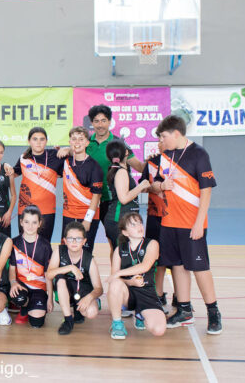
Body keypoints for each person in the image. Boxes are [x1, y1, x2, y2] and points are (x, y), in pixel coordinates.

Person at [152, 115, 221, 334]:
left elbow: (206, 190)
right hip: (169, 221)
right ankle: (184, 311)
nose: (161, 140)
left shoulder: (198, 154)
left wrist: (199, 223)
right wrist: (161, 186)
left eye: (164, 136)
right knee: (177, 266)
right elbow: (155, 184)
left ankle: (213, 312)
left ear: (176, 133)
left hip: (192, 223)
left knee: (199, 268)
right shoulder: (165, 155)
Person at [106, 212, 166, 340]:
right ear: (125, 232)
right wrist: (130, 282)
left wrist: (119, 273)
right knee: (115, 284)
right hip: (128, 294)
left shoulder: (152, 244)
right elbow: (114, 279)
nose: (139, 226)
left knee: (159, 330)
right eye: (133, 224)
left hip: (147, 292)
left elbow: (145, 266)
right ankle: (117, 324)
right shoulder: (119, 250)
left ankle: (140, 315)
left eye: (140, 223)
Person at [85, 105, 144, 232]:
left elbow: (139, 167)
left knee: (114, 238)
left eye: (103, 120)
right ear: (92, 123)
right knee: (87, 237)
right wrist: (66, 150)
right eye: (96, 121)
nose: (100, 125)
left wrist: (154, 161)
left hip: (113, 201)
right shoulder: (86, 143)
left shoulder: (119, 144)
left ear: (110, 122)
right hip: (92, 200)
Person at [47, 222, 103, 335]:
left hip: (82, 290)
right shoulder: (59, 251)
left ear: (84, 241)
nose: (73, 242)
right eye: (70, 238)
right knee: (60, 280)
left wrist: (89, 297)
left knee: (91, 312)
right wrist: (70, 267)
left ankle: (79, 309)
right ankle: (68, 320)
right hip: (64, 289)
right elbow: (48, 275)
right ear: (65, 240)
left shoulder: (89, 259)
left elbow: (99, 288)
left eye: (78, 239)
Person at [13, 127, 64, 241]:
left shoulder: (55, 155)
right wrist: (6, 166)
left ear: (46, 141)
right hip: (25, 209)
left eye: (42, 139)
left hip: (47, 209)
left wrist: (67, 150)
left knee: (44, 244)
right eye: (35, 139)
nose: (38, 142)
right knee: (25, 244)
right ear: (29, 141)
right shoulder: (23, 158)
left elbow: (75, 161)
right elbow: (13, 173)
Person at [9, 206, 53, 328]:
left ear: (39, 223)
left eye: (34, 222)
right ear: (21, 222)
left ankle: (33, 307)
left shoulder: (45, 245)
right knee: (19, 298)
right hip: (21, 285)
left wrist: (50, 298)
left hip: (39, 287)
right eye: (27, 222)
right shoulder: (14, 243)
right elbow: (12, 269)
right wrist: (13, 282)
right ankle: (24, 307)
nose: (30, 226)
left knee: (37, 323)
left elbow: (48, 274)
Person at [103, 139, 150, 254]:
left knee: (121, 255)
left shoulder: (119, 169)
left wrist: (140, 190)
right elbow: (123, 199)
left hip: (121, 220)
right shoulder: (121, 172)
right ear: (127, 153)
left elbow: (125, 193)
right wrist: (141, 186)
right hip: (119, 220)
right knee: (122, 256)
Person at [61, 127, 104, 252]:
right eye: (74, 139)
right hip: (68, 215)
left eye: (81, 139)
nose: (77, 142)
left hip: (87, 217)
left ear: (87, 143)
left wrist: (88, 220)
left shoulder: (94, 166)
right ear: (69, 142)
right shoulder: (65, 161)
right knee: (65, 251)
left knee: (85, 253)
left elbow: (96, 196)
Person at [141, 142, 171, 310]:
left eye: (164, 137)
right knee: (156, 257)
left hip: (175, 217)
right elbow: (143, 185)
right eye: (160, 138)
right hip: (154, 216)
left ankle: (180, 298)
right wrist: (154, 187)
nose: (162, 142)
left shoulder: (181, 163)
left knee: (178, 261)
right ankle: (158, 294)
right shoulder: (152, 162)